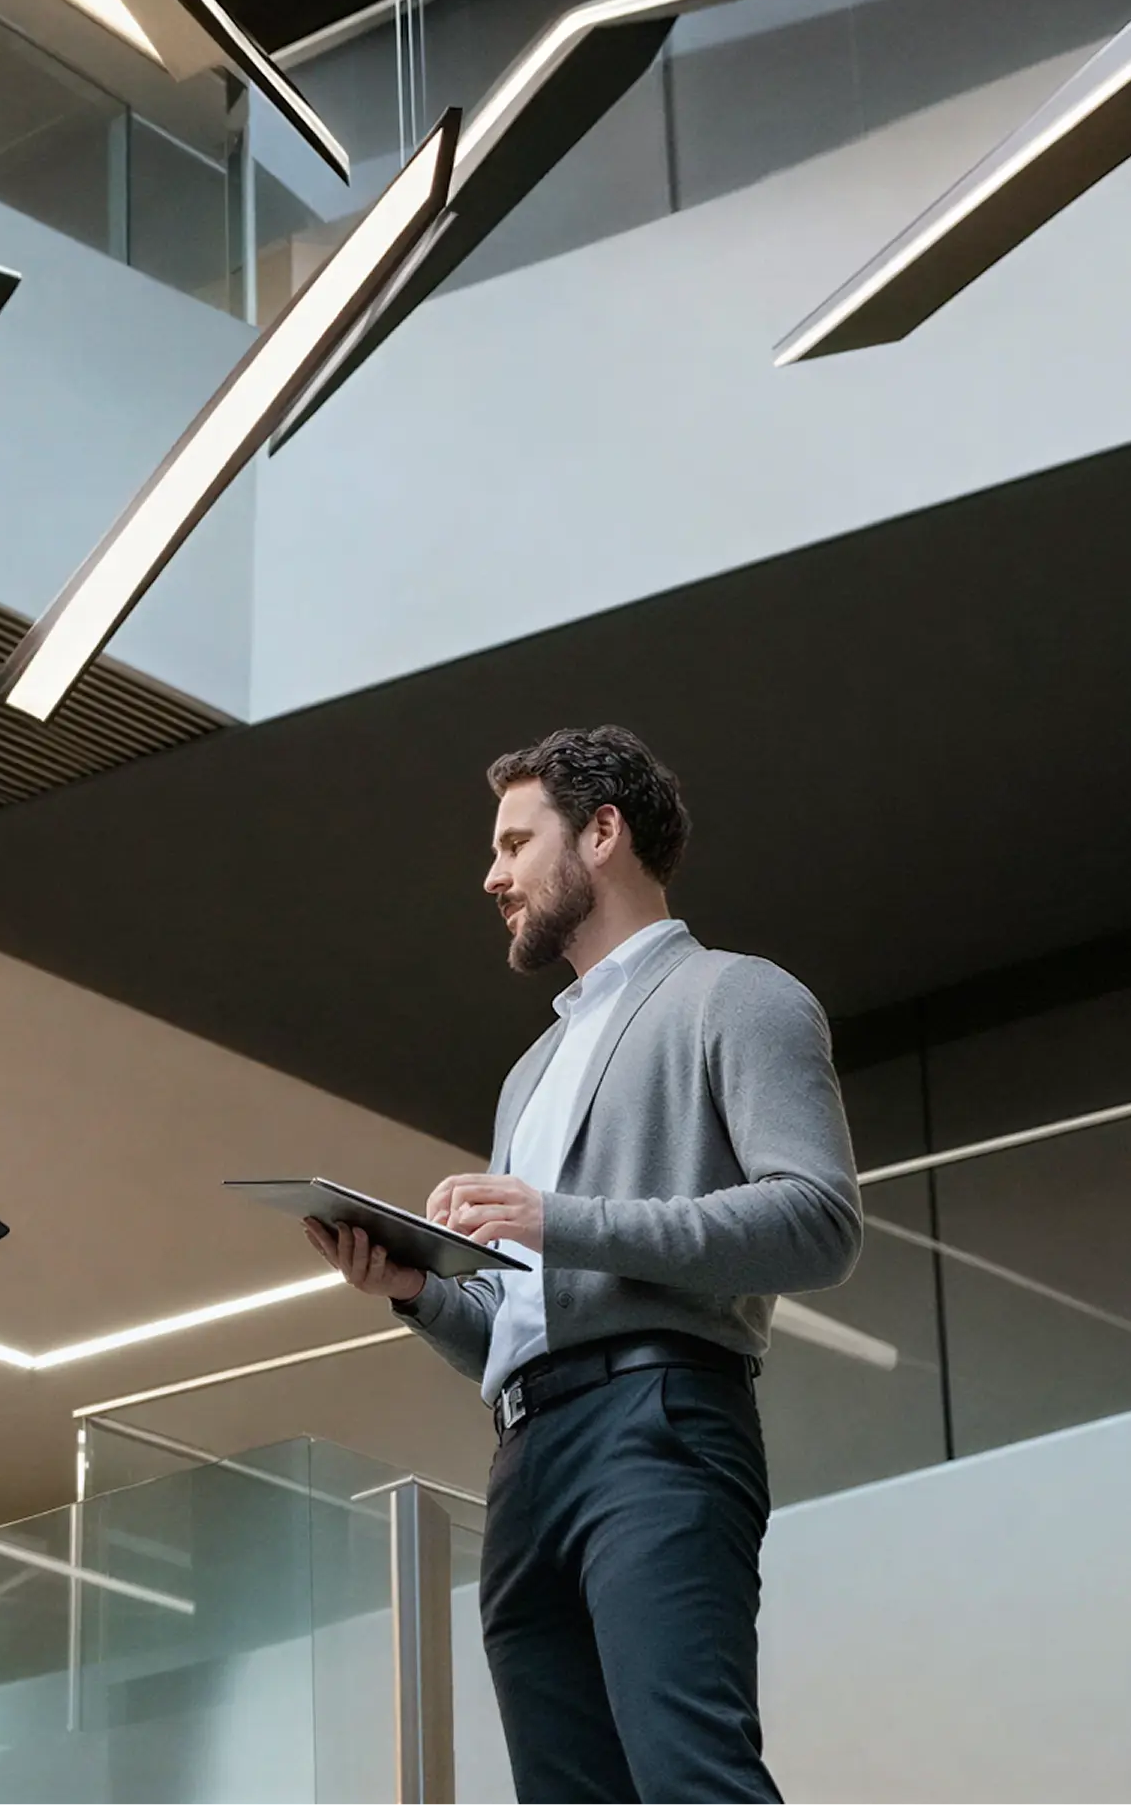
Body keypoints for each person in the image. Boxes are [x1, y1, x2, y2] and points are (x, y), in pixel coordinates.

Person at [305, 726, 860, 1805]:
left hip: (659, 1420)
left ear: (602, 832)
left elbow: (817, 1221)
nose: (493, 874)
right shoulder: (531, 1072)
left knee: (690, 1776)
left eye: (517, 843)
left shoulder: (737, 996)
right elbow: (525, 1322)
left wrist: (561, 1217)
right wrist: (415, 1288)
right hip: (526, 1451)